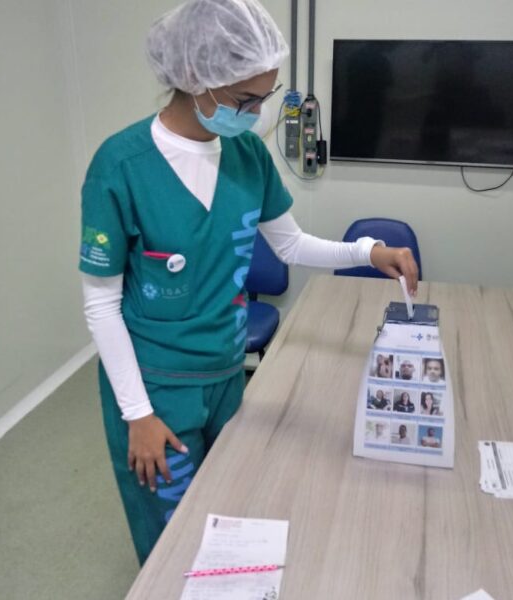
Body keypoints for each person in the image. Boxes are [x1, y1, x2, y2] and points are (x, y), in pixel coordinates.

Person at [79, 0, 419, 564]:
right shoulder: (121, 165)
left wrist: (367, 250)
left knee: (226, 512)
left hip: (226, 373)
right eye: (246, 100)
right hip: (157, 389)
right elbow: (100, 307)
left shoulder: (246, 155)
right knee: (171, 542)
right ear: (195, 79)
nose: (260, 112)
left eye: (266, 94)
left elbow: (290, 243)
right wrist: (137, 413)